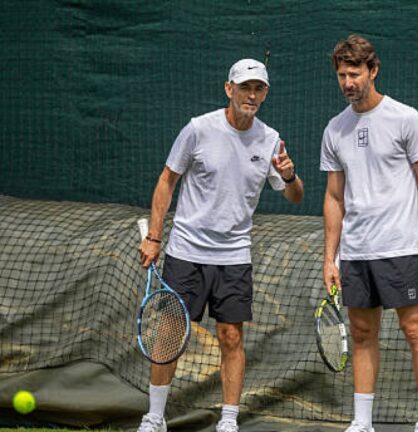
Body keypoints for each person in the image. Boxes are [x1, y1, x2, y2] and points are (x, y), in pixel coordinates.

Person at [136, 58, 304, 432]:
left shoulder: (270, 139)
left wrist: (290, 175)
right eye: (245, 87)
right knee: (169, 333)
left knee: (231, 336)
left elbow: (295, 196)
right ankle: (155, 417)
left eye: (259, 88)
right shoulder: (198, 129)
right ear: (229, 89)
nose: (252, 95)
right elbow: (167, 181)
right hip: (186, 251)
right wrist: (154, 237)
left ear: (265, 94)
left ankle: (228, 421)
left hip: (234, 256)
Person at [320, 34, 418, 432]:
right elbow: (334, 198)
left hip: (401, 247)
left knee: (415, 330)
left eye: (354, 73)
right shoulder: (334, 130)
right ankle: (362, 423)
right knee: (360, 332)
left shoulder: (406, 119)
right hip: (356, 253)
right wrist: (330, 257)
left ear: (373, 71)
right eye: (341, 75)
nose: (348, 82)